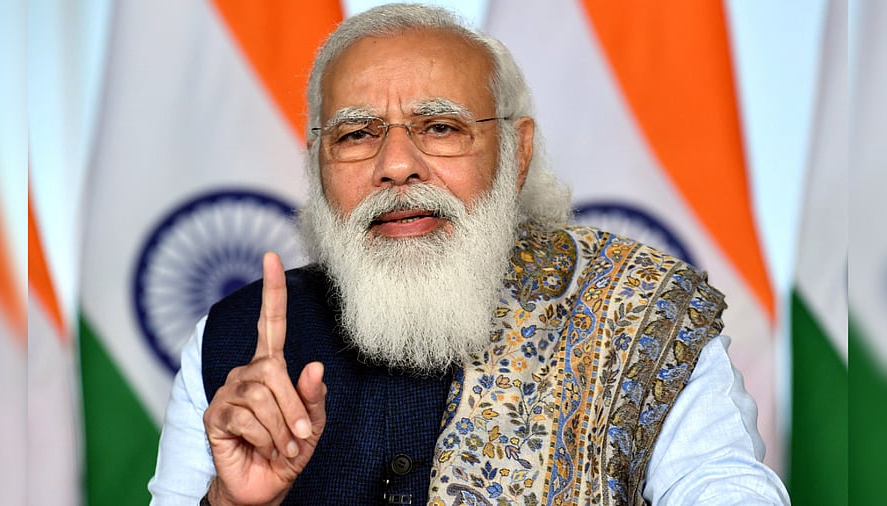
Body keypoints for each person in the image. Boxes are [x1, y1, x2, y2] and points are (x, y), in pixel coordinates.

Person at [149, 4, 790, 505]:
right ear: (318, 167)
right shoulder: (232, 337)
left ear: (515, 155)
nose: (396, 165)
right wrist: (233, 503)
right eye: (356, 134)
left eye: (441, 127)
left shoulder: (638, 316)